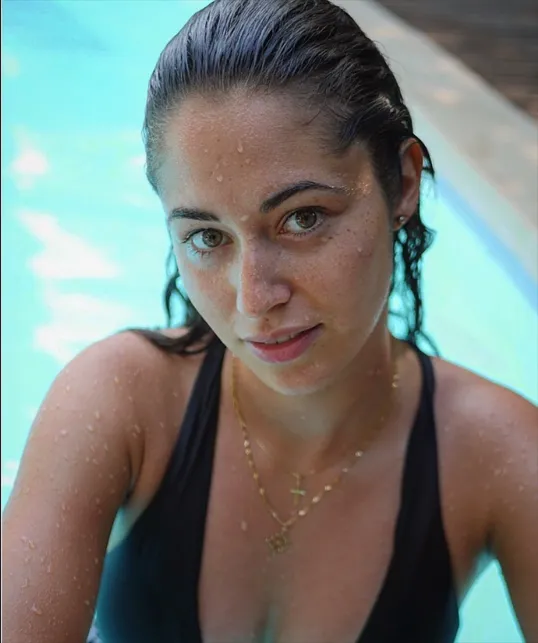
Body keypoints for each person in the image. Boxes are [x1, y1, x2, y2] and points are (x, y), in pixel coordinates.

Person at [3, 0, 537, 641]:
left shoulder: (496, 454)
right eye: (207, 237)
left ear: (402, 181)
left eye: (302, 218)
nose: (254, 299)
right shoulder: (121, 402)